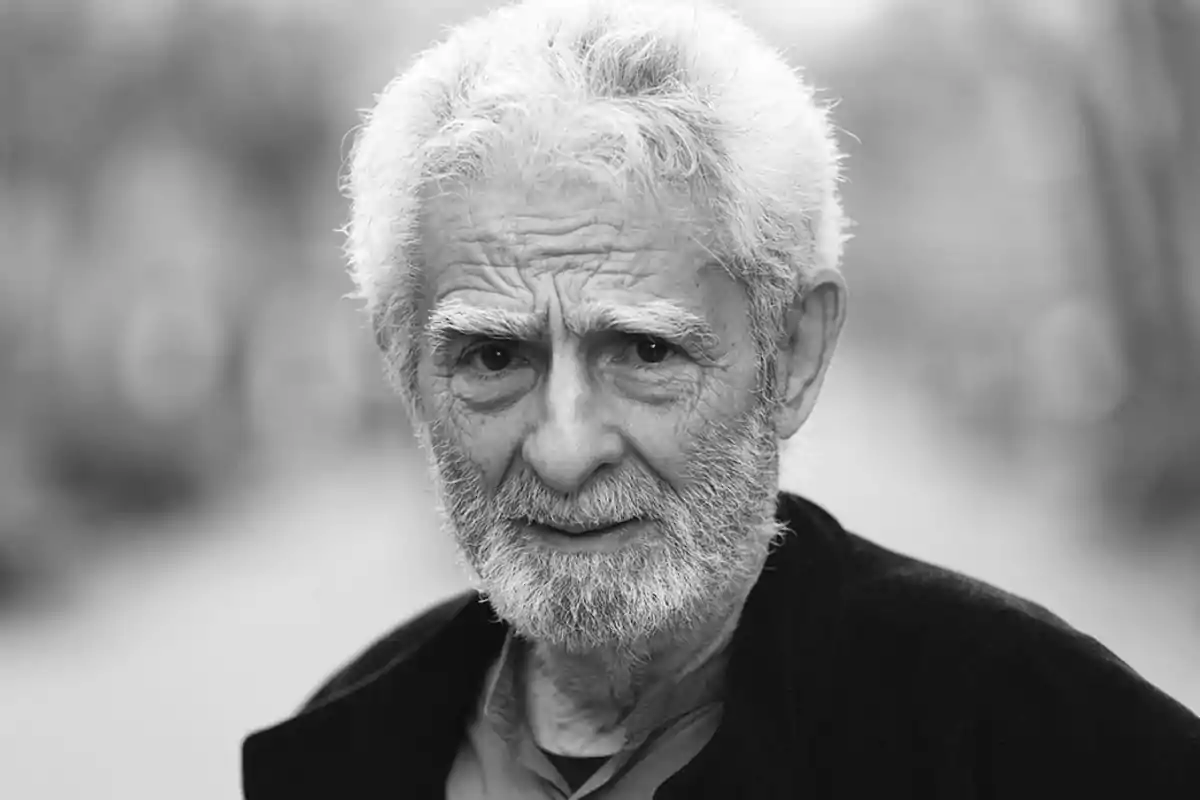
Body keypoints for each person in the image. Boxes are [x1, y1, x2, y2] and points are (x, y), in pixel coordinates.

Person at [241, 0, 1200, 797]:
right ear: (406, 367)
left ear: (793, 352)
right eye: (493, 357)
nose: (565, 451)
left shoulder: (1039, 740)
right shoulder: (346, 748)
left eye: (646, 350)